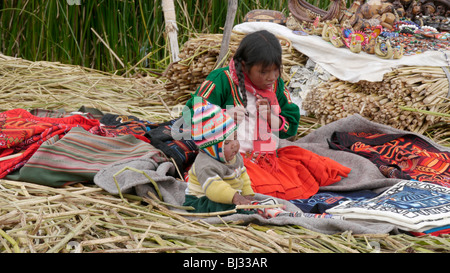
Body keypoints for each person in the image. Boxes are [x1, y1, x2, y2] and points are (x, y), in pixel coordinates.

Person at [183, 30, 351, 201]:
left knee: (316, 169)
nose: (271, 77)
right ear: (244, 66)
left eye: (276, 70)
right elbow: (189, 118)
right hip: (230, 160)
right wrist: (222, 117)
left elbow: (290, 127)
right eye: (263, 72)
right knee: (242, 187)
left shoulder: (275, 84)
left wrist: (273, 119)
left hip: (266, 157)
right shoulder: (221, 80)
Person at [183, 99, 256, 213]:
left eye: (235, 137)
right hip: (202, 199)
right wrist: (235, 197)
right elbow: (214, 188)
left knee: (244, 205)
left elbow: (243, 175)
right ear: (212, 149)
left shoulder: (234, 157)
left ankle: (248, 208)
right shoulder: (206, 164)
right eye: (227, 143)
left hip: (229, 195)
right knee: (225, 208)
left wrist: (247, 194)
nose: (234, 145)